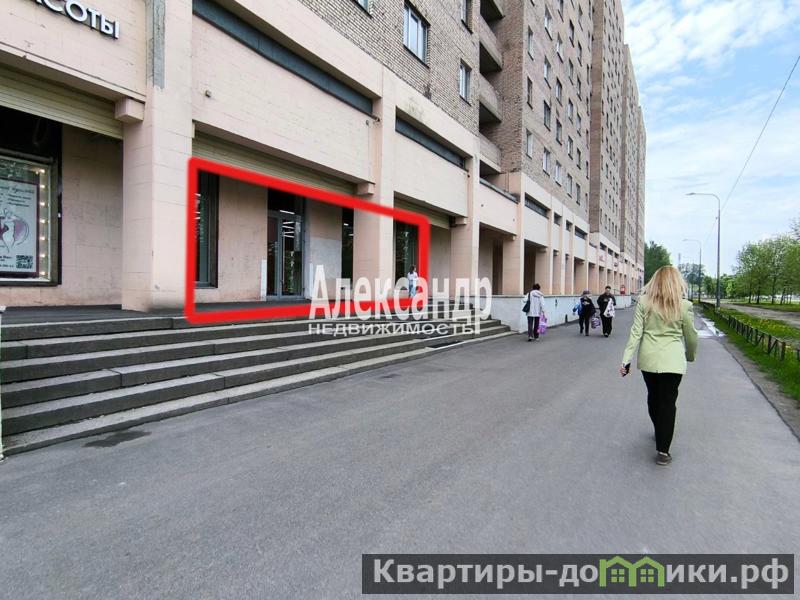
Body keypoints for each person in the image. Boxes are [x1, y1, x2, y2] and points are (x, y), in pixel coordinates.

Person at [620, 265, 698, 466]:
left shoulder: (644, 302)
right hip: (673, 361)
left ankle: (659, 429)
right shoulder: (684, 305)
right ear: (677, 283)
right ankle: (663, 451)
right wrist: (690, 356)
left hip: (649, 360)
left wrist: (626, 360)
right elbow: (691, 336)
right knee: (668, 402)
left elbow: (636, 333)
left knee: (654, 397)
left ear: (655, 282)